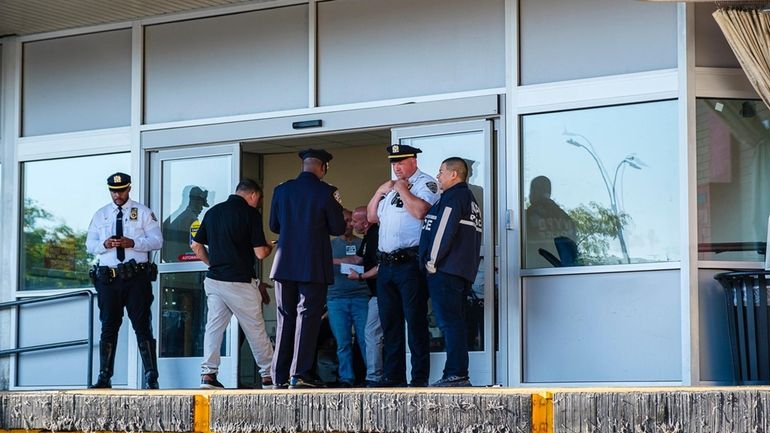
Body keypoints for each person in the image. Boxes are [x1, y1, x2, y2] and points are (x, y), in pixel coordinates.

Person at [269, 148, 346, 389]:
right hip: (312, 264)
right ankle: (299, 374)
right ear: (323, 168)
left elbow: (274, 225)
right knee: (308, 318)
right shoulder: (327, 192)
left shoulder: (281, 190)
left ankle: (279, 376)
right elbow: (337, 228)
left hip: (283, 264)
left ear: (304, 166)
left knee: (285, 318)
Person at [366, 144, 440, 387]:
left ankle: (418, 379)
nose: (396, 167)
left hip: (409, 263)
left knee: (415, 322)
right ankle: (393, 377)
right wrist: (379, 192)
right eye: (393, 163)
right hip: (386, 265)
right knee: (390, 324)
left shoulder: (425, 183)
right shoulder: (389, 187)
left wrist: (401, 189)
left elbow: (421, 212)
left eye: (401, 162)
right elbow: (371, 217)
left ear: (413, 161)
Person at [190, 179, 275, 389]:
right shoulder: (250, 214)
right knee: (255, 329)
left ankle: (208, 375)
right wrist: (270, 247)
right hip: (240, 282)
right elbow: (260, 253)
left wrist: (213, 264)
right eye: (259, 199)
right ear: (254, 195)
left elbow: (196, 245)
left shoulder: (213, 212)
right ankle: (269, 375)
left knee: (214, 328)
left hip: (214, 280)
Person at [86, 172, 163, 389]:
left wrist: (133, 242)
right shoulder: (101, 215)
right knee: (108, 325)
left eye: (121, 190)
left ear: (129, 189)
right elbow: (89, 244)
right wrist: (105, 244)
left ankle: (151, 376)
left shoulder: (143, 212)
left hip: (135, 277)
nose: (117, 195)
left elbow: (157, 241)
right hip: (108, 278)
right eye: (113, 191)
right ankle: (104, 376)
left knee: (142, 325)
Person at [418, 157, 482, 387]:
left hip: (446, 270)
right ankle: (456, 373)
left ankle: (455, 374)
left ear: (454, 174)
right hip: (458, 271)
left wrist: (431, 262)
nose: (438, 176)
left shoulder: (454, 197)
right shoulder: (468, 199)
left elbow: (443, 231)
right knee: (454, 321)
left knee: (449, 322)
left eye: (441, 171)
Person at [327, 209, 370, 387]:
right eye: (344, 221)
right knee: (343, 342)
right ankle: (346, 378)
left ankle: (372, 376)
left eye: (351, 221)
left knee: (366, 340)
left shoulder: (363, 243)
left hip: (361, 297)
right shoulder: (329, 245)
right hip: (336, 298)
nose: (349, 225)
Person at [347, 206, 384, 386]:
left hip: (381, 293)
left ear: (366, 221)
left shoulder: (377, 235)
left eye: (355, 221)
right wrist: (329, 260)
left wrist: (360, 276)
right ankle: (378, 375)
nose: (352, 224)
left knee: (371, 333)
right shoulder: (368, 237)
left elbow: (380, 267)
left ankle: (374, 377)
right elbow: (357, 259)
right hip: (376, 294)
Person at [525, 175, 578, 268]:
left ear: (534, 191)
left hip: (534, 273)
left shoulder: (529, 216)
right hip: (563, 272)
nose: (529, 195)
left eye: (530, 191)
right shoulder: (566, 218)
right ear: (549, 192)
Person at [162, 186, 209, 262]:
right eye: (201, 204)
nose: (201, 208)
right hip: (183, 266)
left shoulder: (175, 216)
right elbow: (196, 245)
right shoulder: (192, 218)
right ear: (194, 202)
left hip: (172, 262)